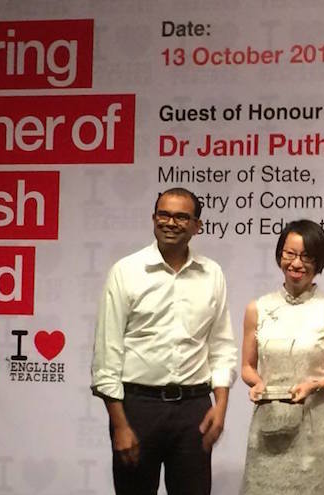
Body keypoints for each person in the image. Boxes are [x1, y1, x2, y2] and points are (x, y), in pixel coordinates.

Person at [91, 187, 238, 495]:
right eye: (164, 215)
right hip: (138, 408)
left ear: (197, 226)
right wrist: (120, 425)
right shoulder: (126, 271)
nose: (171, 223)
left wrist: (221, 405)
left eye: (181, 217)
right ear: (153, 218)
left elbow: (222, 346)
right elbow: (107, 353)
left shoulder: (212, 274)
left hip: (194, 409)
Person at [240, 219, 324, 494]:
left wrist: (314, 385)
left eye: (306, 257)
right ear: (279, 255)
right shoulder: (258, 308)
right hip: (267, 425)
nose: (296, 263)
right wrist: (257, 383)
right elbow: (247, 367)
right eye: (289, 254)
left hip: (313, 427)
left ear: (320, 261)